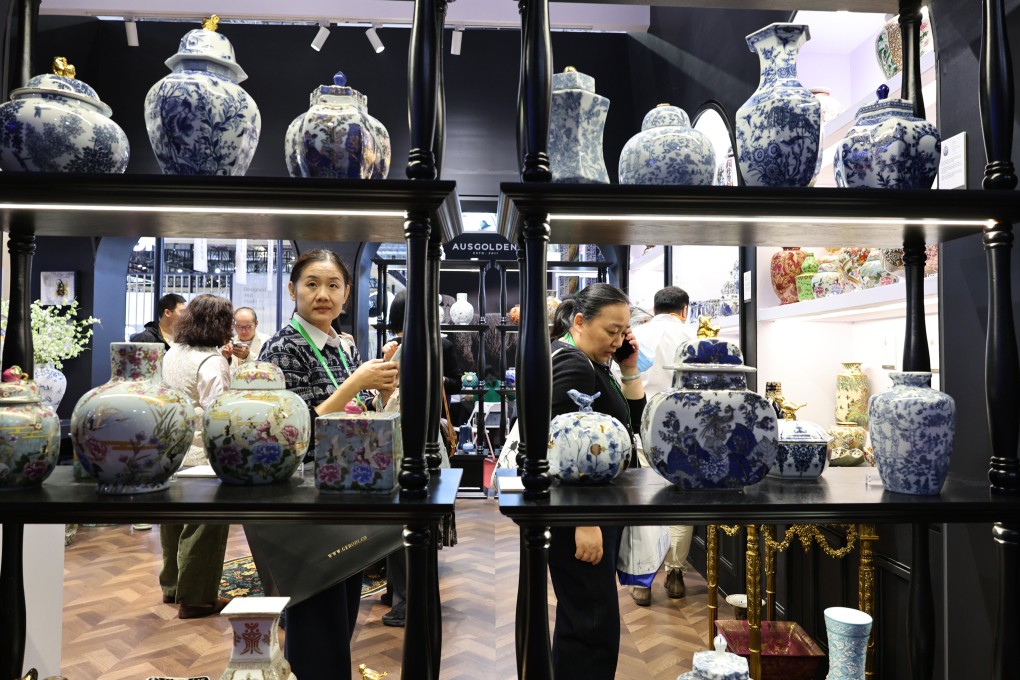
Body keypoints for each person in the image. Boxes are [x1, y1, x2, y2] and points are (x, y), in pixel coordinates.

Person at [259, 248, 398, 679]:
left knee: (341, 616)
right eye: (312, 284)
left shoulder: (341, 345)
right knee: (316, 617)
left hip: (343, 491)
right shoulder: (281, 348)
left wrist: (383, 393)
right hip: (306, 498)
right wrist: (358, 381)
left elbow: (354, 412)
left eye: (333, 285)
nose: (323, 294)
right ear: (292, 290)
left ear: (347, 293)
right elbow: (291, 430)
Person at [547, 283, 645, 680]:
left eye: (624, 331)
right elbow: (565, 453)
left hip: (592, 508)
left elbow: (630, 422)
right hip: (583, 513)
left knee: (586, 619)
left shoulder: (585, 361)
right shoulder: (573, 365)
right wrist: (584, 521)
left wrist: (629, 367)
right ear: (581, 321)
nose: (618, 340)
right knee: (592, 624)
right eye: (611, 331)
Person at [159, 294, 234, 619]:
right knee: (205, 524)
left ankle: (173, 587)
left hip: (170, 447)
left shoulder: (174, 352)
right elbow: (220, 411)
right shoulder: (212, 360)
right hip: (202, 451)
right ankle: (198, 598)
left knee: (173, 521)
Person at [626, 286, 695, 605]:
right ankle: (676, 573)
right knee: (680, 502)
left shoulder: (639, 334)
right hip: (682, 427)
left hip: (643, 420)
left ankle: (643, 579)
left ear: (655, 309)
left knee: (645, 499)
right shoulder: (690, 336)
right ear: (684, 310)